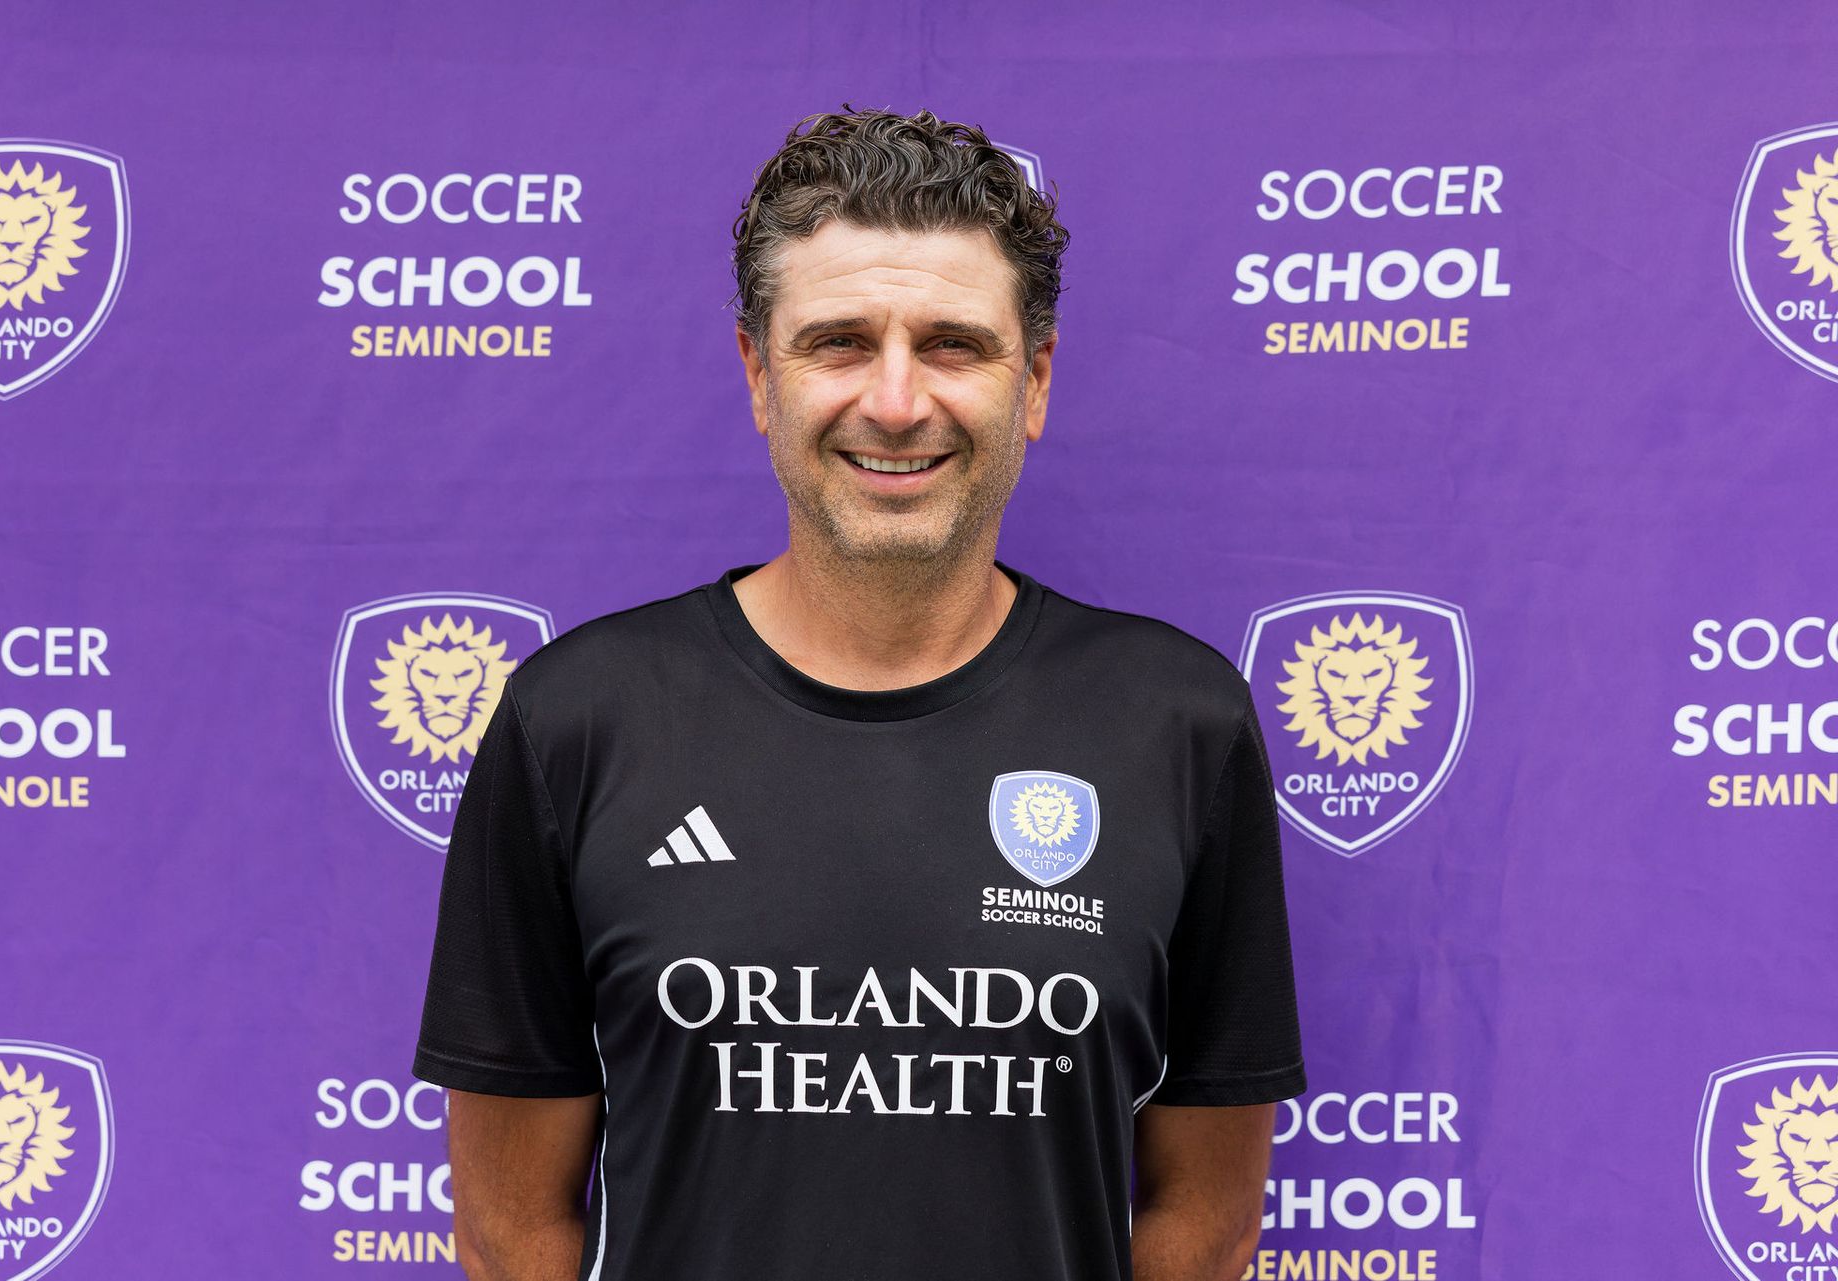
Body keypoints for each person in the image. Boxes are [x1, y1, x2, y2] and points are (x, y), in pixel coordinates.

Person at [413, 106, 1306, 1281]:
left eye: (953, 345)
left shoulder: (1178, 722)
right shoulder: (576, 719)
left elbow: (1207, 1216)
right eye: (838, 342)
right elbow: (510, 1227)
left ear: (1033, 381)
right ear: (758, 375)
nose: (895, 401)